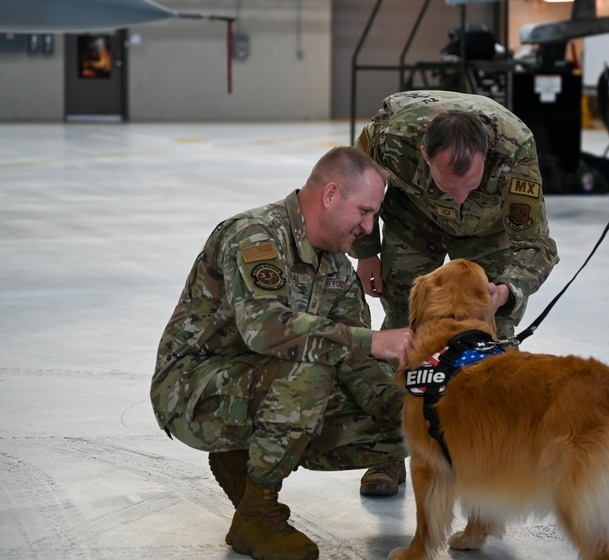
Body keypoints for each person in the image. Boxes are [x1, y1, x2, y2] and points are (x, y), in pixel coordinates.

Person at [150, 146, 415, 560]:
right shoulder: (255, 235)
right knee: (309, 371)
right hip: (191, 390)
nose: (368, 228)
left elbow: (356, 362)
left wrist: (401, 405)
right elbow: (267, 329)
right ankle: (256, 514)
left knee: (409, 426)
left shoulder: (337, 268)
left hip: (259, 388)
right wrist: (373, 340)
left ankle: (241, 462)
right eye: (364, 212)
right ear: (330, 195)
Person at [352, 89, 559, 341]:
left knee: (494, 327)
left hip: (486, 230)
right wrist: (366, 252)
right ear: (425, 155)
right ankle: (398, 379)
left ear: (486, 155)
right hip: (414, 219)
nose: (459, 197)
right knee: (402, 316)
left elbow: (536, 244)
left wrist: (508, 289)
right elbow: (354, 196)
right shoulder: (390, 137)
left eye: (471, 186)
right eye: (447, 186)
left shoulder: (514, 154)